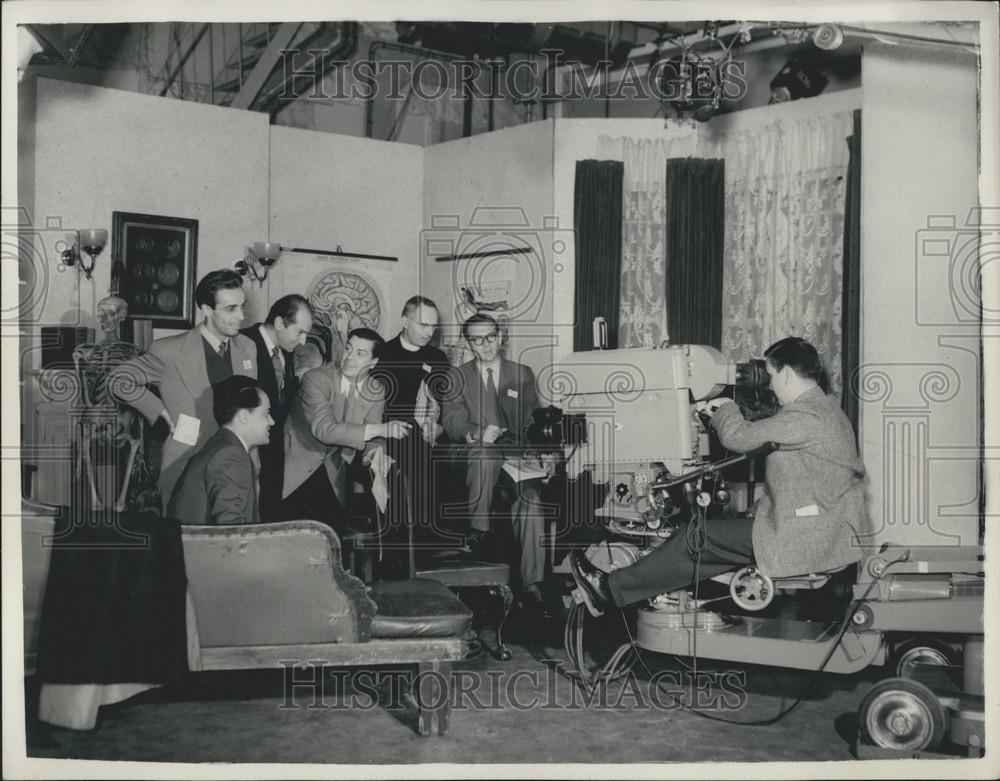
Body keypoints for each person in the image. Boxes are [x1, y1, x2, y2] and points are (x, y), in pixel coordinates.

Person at [570, 337, 870, 616]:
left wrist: (726, 409)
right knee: (716, 531)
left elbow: (739, 438)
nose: (771, 386)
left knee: (694, 538)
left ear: (787, 374)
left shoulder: (807, 415)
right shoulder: (826, 409)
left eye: (771, 376)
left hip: (807, 534)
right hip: (820, 525)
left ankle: (608, 590)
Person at [111, 270, 257, 508]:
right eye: (231, 309)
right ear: (207, 310)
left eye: (243, 306)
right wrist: (162, 415)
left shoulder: (248, 348)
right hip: (186, 465)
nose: (241, 316)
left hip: (237, 467)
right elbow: (119, 380)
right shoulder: (168, 351)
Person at [442, 313, 551, 614]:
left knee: (532, 500)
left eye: (490, 337)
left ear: (500, 336)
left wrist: (538, 454)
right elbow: (452, 422)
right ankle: (478, 532)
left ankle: (533, 585)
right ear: (469, 343)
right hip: (471, 453)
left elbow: (531, 423)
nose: (485, 344)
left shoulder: (522, 374)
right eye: (477, 339)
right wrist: (477, 434)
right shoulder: (456, 377)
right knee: (486, 454)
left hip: (513, 456)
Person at [283, 328, 411, 535]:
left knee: (332, 541)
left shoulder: (376, 390)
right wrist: (381, 429)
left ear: (373, 362)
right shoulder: (315, 378)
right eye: (348, 349)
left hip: (334, 471)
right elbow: (325, 430)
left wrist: (375, 455)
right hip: (296, 469)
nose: (349, 358)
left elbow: (373, 437)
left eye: (360, 354)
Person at [368, 296, 451, 573]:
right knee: (413, 460)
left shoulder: (438, 358)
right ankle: (409, 551)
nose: (429, 332)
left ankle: (431, 545)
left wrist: (440, 426)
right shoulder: (383, 354)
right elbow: (373, 407)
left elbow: (447, 404)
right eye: (423, 324)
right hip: (390, 432)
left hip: (430, 434)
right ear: (404, 321)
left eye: (434, 326)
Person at [240, 294, 314, 521]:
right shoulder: (243, 344)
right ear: (280, 323)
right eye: (299, 332)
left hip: (273, 452)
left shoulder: (285, 351)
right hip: (249, 454)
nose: (303, 341)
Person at [168, 375, 273, 525]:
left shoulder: (223, 445)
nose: (271, 421)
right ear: (244, 417)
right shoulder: (230, 455)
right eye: (266, 413)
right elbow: (231, 530)